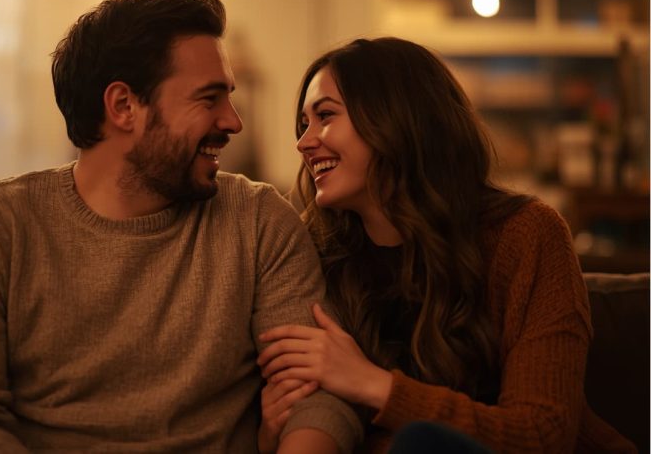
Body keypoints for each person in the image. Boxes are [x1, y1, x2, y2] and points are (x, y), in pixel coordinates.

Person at [0, 0, 363, 453]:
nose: (233, 122)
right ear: (124, 106)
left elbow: (319, 396)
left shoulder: (259, 219)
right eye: (209, 99)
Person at [255, 37, 636, 453]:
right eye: (302, 125)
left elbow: (542, 434)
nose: (304, 142)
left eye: (325, 116)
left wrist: (372, 384)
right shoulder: (315, 254)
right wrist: (270, 433)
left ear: (398, 118)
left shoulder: (526, 235)